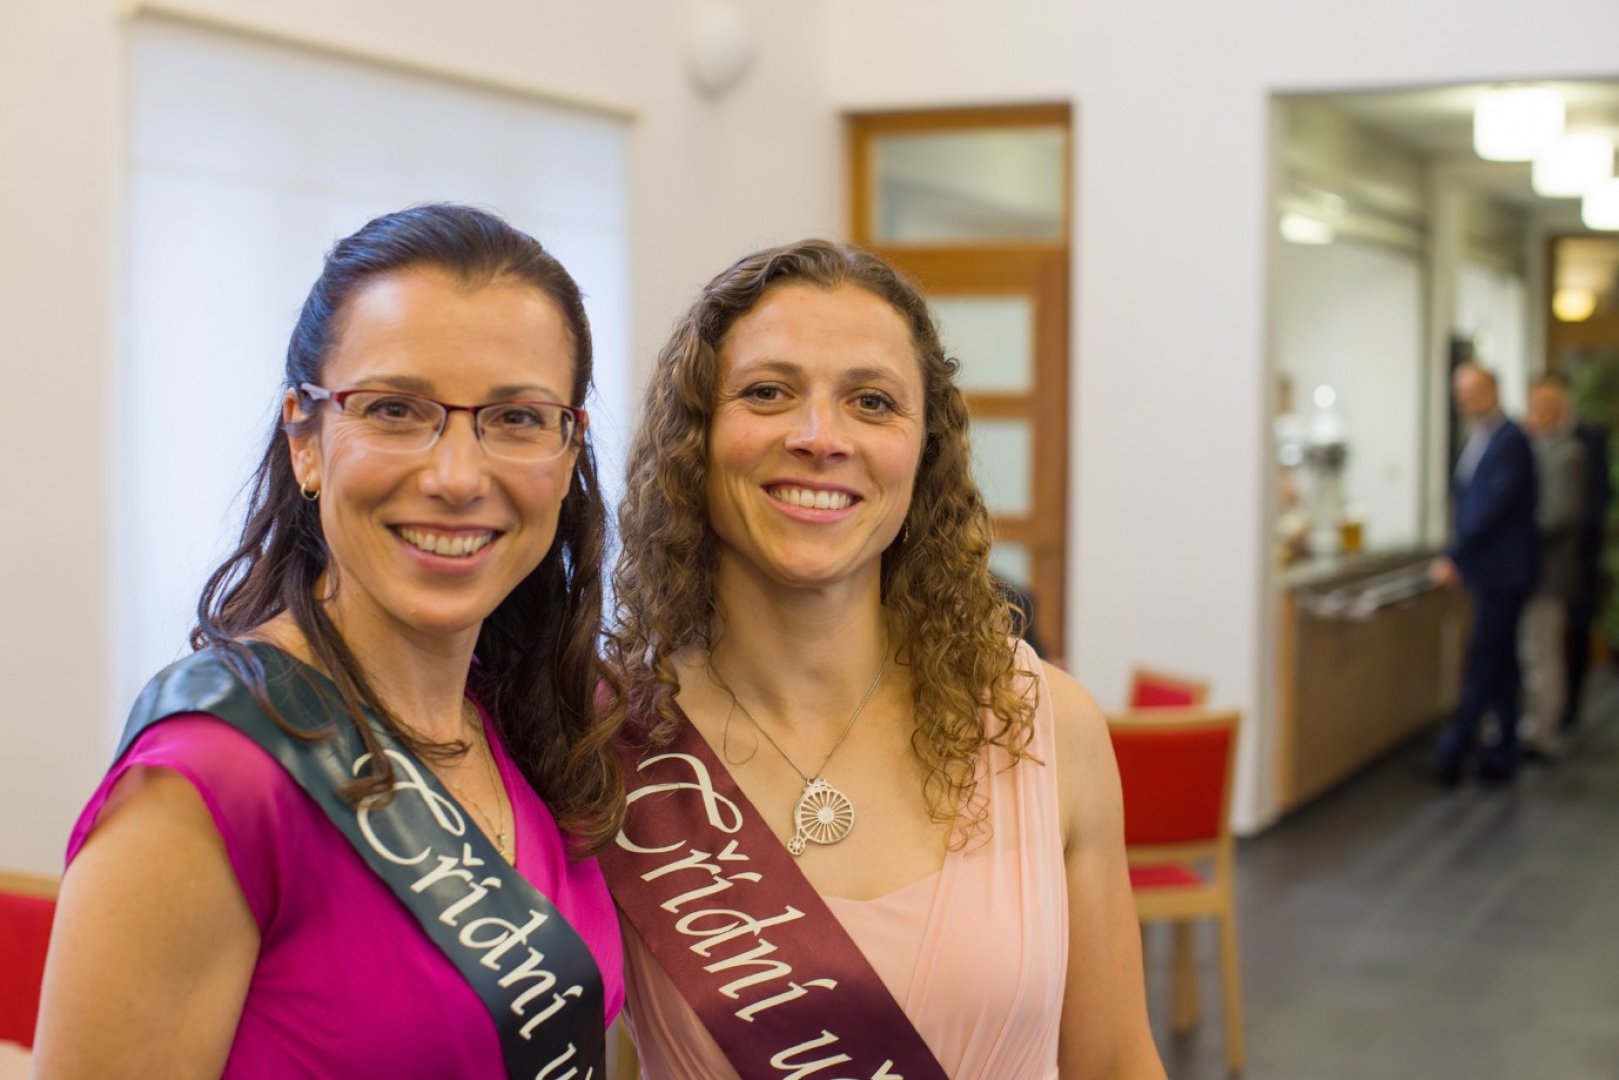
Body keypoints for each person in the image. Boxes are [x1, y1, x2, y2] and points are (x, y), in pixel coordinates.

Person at [34, 204, 624, 1076]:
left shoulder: (534, 727)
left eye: (517, 418)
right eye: (394, 409)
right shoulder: (211, 777)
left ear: (569, 452)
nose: (457, 476)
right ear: (304, 440)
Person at [599, 240, 1164, 1079]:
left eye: (871, 401)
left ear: (923, 451)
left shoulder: (1045, 724)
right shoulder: (605, 745)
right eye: (767, 392)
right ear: (694, 437)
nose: (819, 437)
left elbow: (1116, 1063)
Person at [1429, 362, 1540, 785]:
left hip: (1503, 573)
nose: (1468, 401)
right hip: (1488, 570)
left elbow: (1490, 508)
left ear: (1493, 389)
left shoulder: (1511, 440)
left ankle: (1454, 752)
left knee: (1482, 660)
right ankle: (1501, 753)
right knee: (1501, 663)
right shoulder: (1478, 439)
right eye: (1462, 394)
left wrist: (1455, 555)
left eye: (1474, 391)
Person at [1518, 374, 1587, 759]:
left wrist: (1510, 528)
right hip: (1528, 573)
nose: (1537, 413)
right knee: (1530, 655)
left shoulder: (1567, 453)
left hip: (1548, 574)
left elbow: (1557, 516)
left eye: (1546, 406)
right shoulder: (1533, 449)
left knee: (1542, 655)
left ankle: (1543, 733)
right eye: (1534, 406)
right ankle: (1530, 725)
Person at [1564, 415, 1611, 732]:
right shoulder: (1528, 439)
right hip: (1546, 564)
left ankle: (1572, 707)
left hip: (1580, 559)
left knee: (1577, 629)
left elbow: (1600, 499)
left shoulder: (1590, 440)